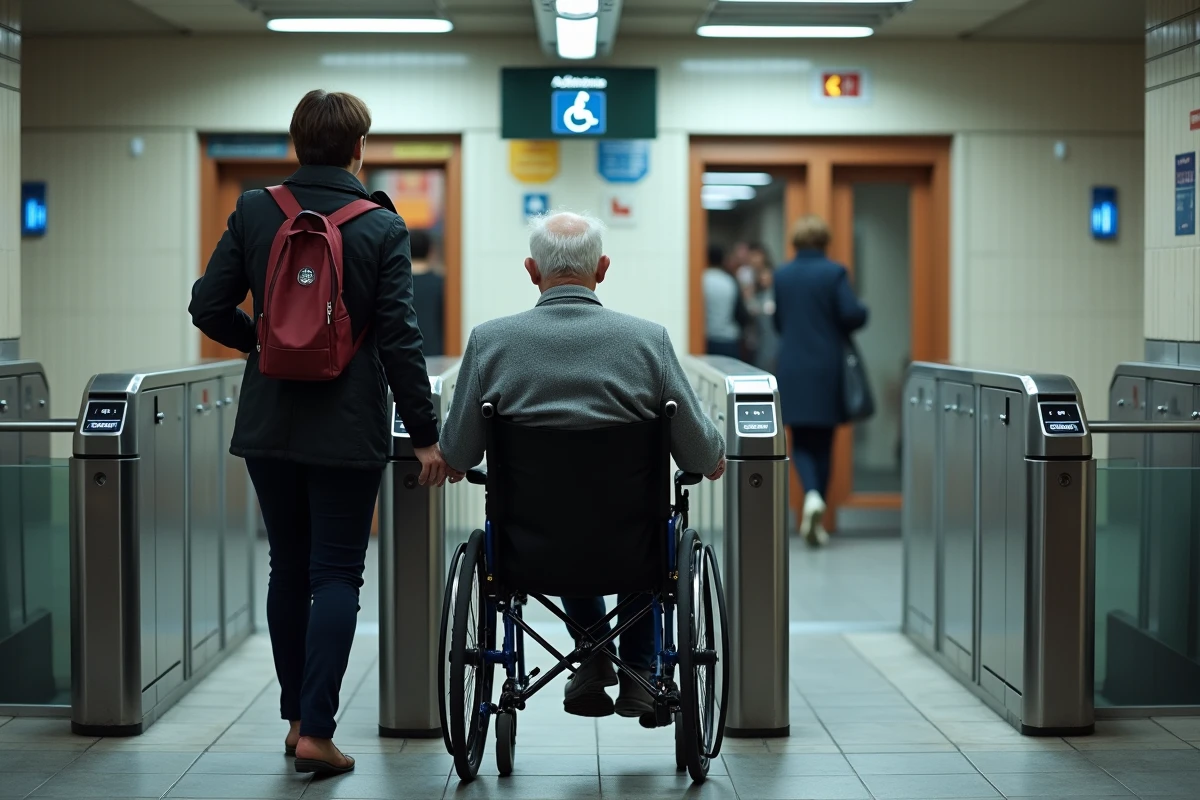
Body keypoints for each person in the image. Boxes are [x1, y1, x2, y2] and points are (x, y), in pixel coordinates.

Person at [189, 89, 457, 775]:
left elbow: (207, 304)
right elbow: (400, 338)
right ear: (359, 148)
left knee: (288, 566)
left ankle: (295, 720)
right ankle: (319, 729)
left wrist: (263, 346)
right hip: (347, 422)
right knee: (337, 572)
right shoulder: (381, 225)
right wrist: (425, 434)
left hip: (270, 419)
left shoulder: (255, 209)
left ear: (296, 142)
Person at [440, 211, 726, 720]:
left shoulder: (490, 341)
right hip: (632, 546)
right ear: (603, 268)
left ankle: (594, 660)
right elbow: (702, 456)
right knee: (629, 524)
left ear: (532, 271)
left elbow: (458, 453)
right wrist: (716, 453)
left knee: (564, 512)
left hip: (528, 546)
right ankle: (639, 668)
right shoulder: (648, 341)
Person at [773, 214, 869, 547]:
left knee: (800, 440)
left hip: (793, 366)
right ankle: (818, 507)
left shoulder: (782, 275)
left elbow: (779, 323)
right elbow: (851, 314)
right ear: (824, 240)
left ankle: (811, 496)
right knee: (824, 441)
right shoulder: (834, 272)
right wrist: (864, 309)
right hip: (827, 367)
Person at [702, 244, 744, 358]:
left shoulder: (701, 280)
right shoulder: (730, 281)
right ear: (723, 260)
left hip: (707, 338)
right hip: (728, 340)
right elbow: (740, 313)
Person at [409, 229, 444, 358]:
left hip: (403, 357)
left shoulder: (394, 285)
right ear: (431, 251)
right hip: (437, 357)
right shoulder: (442, 285)